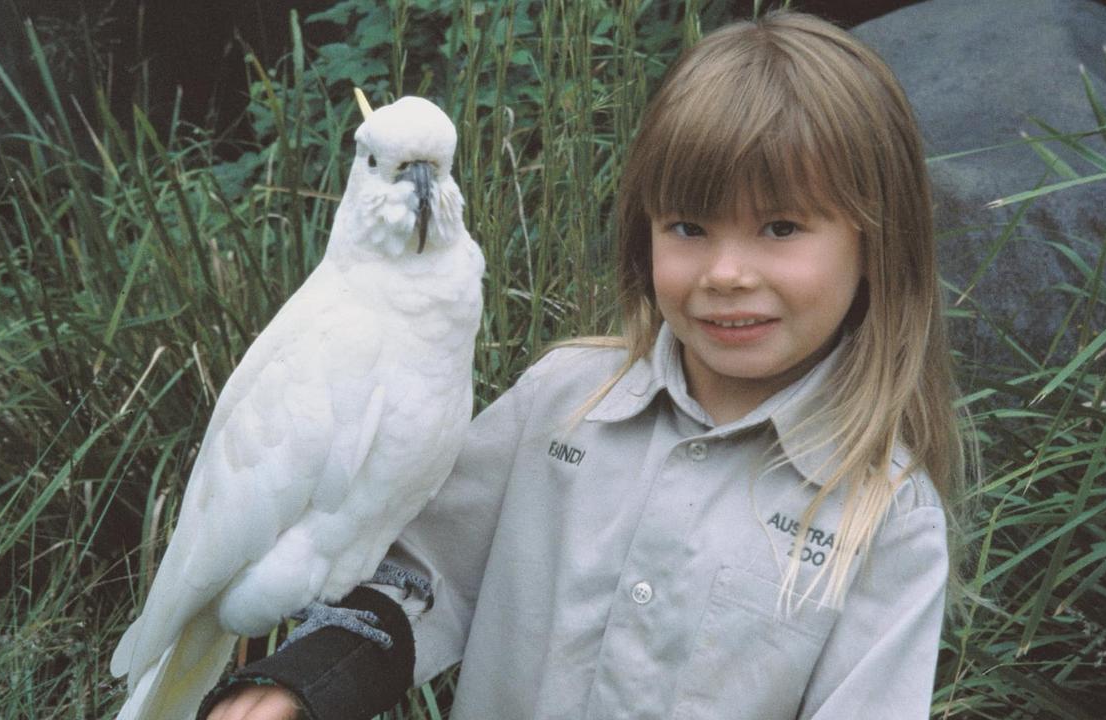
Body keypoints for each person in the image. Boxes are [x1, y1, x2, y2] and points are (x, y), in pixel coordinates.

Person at [198, 9, 968, 720]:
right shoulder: (560, 400)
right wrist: (298, 685)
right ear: (644, 233)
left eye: (780, 226)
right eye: (690, 226)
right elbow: (423, 575)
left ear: (878, 241)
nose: (727, 272)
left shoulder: (889, 520)